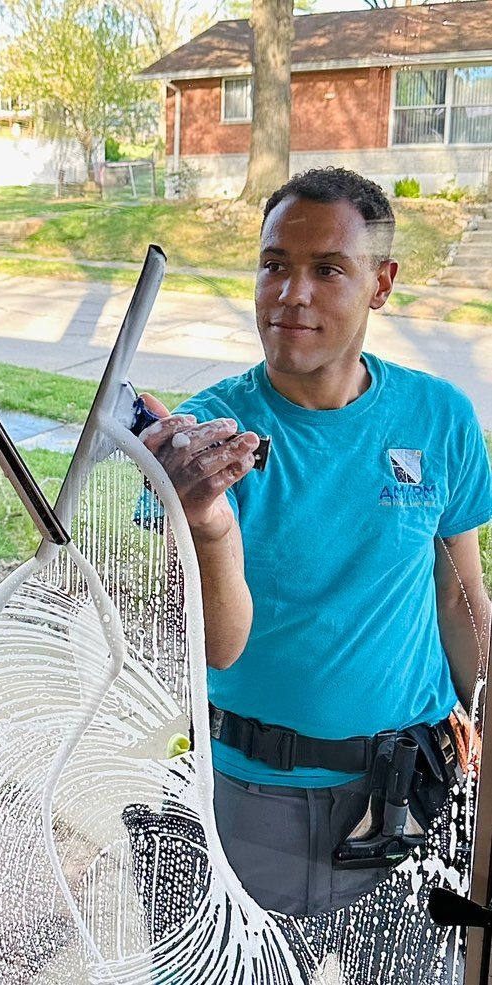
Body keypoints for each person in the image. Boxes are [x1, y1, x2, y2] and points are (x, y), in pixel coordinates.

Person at [139, 168, 492, 919]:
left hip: (414, 794)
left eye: (326, 269)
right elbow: (216, 646)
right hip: (250, 795)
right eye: (273, 265)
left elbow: (458, 596)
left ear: (380, 282)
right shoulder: (206, 444)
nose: (289, 294)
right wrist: (204, 521)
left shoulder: (438, 417)